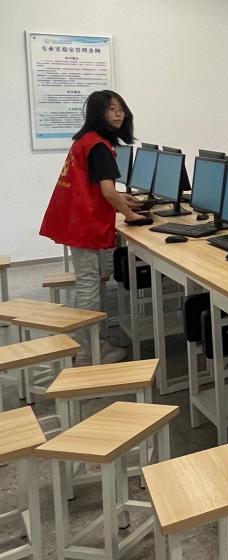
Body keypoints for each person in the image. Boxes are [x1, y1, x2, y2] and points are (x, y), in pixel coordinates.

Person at [39, 91, 148, 364]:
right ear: (98, 114)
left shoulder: (86, 140)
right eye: (111, 109)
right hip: (83, 223)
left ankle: (93, 343)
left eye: (121, 108)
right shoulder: (98, 145)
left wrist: (121, 199)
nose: (119, 114)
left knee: (90, 281)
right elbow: (107, 191)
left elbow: (97, 186)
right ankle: (88, 352)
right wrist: (131, 215)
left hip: (76, 218)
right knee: (89, 285)